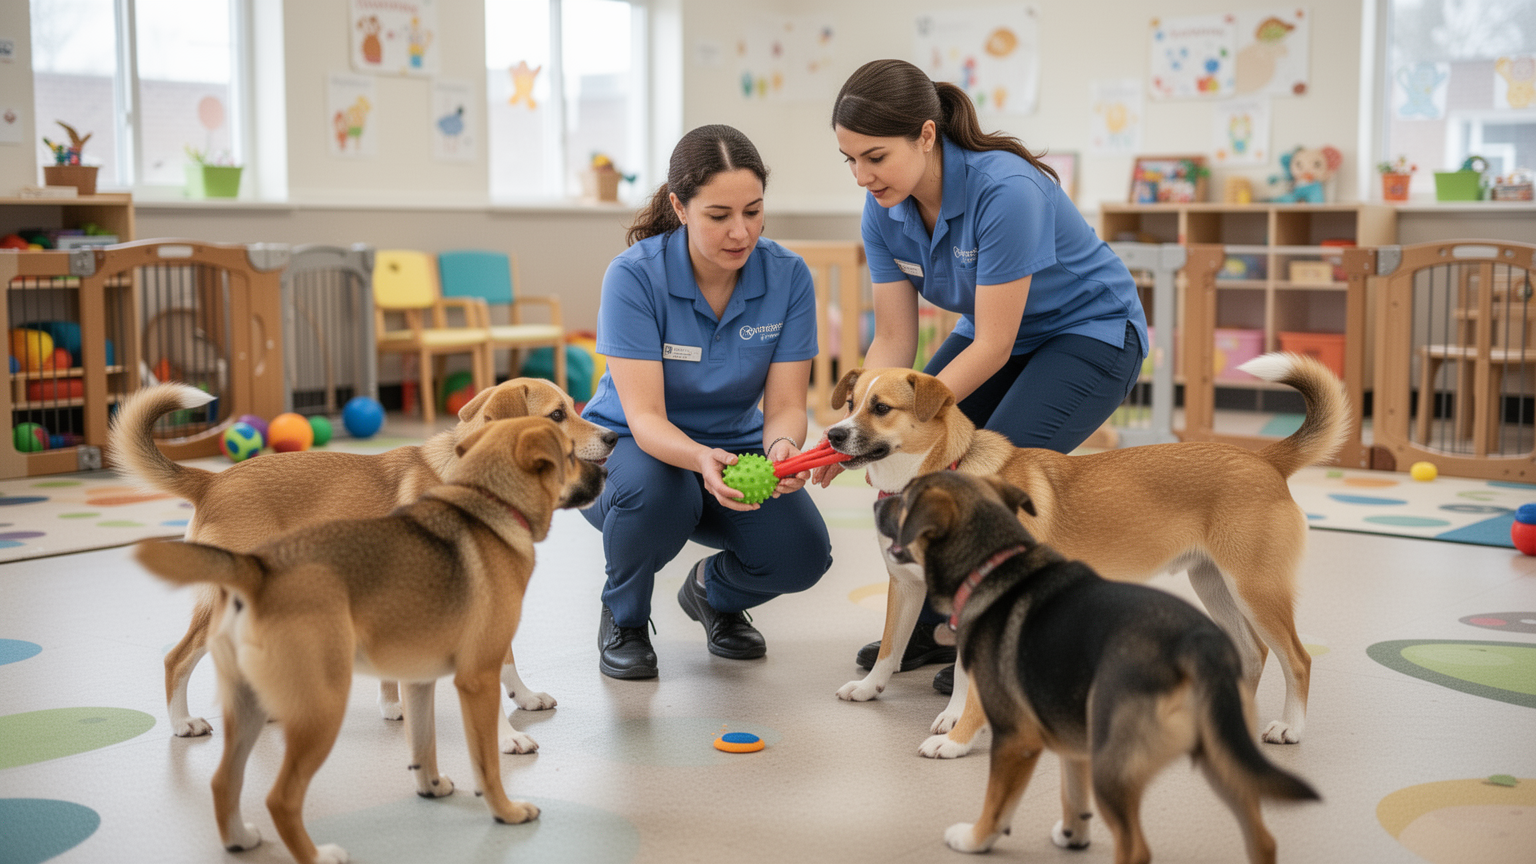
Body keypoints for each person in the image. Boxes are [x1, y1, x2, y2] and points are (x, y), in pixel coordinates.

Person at [822, 59, 1148, 692]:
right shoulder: (882, 210)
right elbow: (893, 342)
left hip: (1088, 332)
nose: (863, 176)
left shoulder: (1006, 189)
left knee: (990, 474)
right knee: (917, 460)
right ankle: (929, 626)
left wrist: (894, 427)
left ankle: (1008, 637)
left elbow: (995, 345)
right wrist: (856, 428)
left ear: (925, 135)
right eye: (849, 160)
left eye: (875, 157)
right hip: (995, 333)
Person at [580, 124, 833, 680]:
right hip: (628, 447)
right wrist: (698, 459)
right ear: (680, 206)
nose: (740, 232)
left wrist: (784, 448)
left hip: (733, 444)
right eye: (719, 216)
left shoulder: (788, 276)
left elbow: (787, 403)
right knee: (662, 496)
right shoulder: (633, 277)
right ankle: (623, 615)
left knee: (803, 555)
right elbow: (645, 419)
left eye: (754, 211)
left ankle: (711, 593)